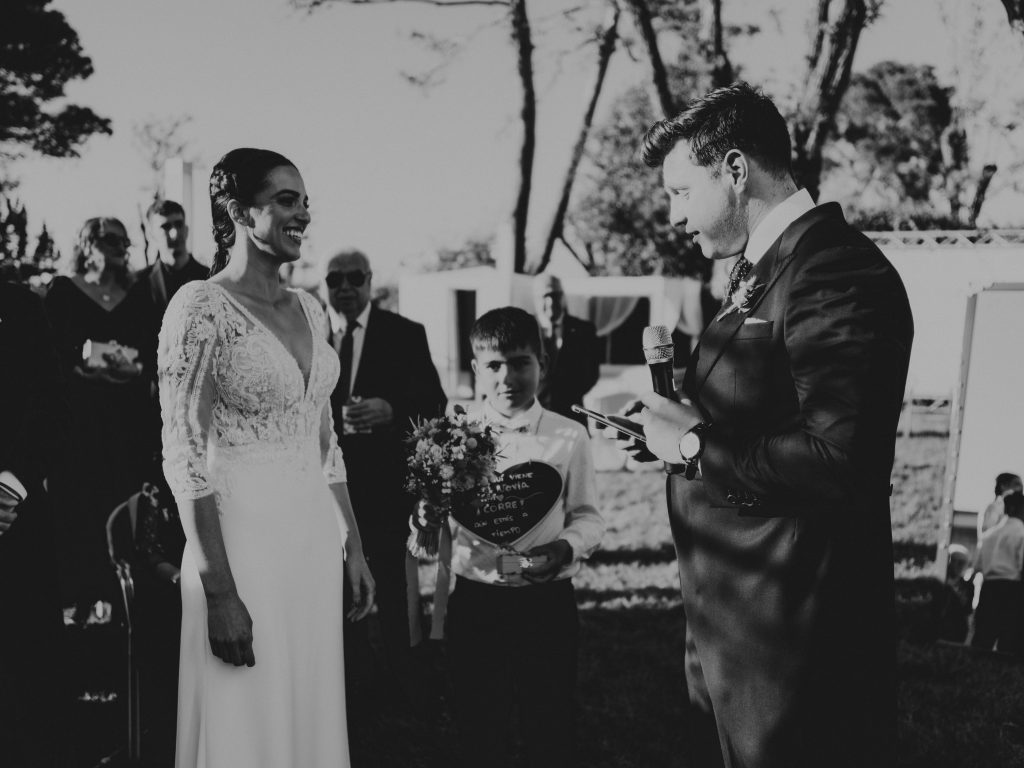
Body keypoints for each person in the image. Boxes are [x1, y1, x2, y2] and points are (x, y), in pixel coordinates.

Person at [611, 82, 914, 768]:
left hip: (799, 648)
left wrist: (693, 443)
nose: (674, 216)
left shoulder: (834, 270)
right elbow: (752, 413)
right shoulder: (760, 269)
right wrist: (662, 437)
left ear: (736, 169)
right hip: (730, 629)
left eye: (681, 192)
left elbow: (840, 457)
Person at [158, 147, 375, 768]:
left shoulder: (310, 308)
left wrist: (353, 546)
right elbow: (183, 456)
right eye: (286, 199)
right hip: (241, 549)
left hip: (310, 549)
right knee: (246, 715)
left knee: (307, 709)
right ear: (237, 208)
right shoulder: (200, 307)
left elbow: (324, 441)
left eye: (305, 201)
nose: (303, 213)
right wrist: (220, 591)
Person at [432, 306, 604, 768]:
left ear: (542, 365)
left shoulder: (569, 437)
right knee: (478, 721)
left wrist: (566, 546)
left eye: (521, 362)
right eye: (494, 365)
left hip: (545, 601)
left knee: (549, 720)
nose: (508, 377)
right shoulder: (455, 436)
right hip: (475, 600)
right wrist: (426, 516)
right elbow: (439, 514)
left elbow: (589, 516)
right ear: (476, 371)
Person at [323, 248, 447, 727]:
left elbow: (433, 402)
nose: (346, 286)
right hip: (330, 494)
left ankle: (407, 688)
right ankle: (352, 690)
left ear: (370, 281)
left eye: (355, 277)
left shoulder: (404, 333)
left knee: (397, 594)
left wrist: (392, 408)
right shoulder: (310, 334)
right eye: (336, 279)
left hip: (387, 491)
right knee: (338, 594)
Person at [44, 217, 158, 620]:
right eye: (110, 239)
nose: (120, 247)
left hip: (127, 425)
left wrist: (136, 368)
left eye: (124, 241)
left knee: (123, 502)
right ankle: (80, 602)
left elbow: (152, 351)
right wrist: (78, 365)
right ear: (87, 243)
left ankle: (121, 600)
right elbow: (49, 354)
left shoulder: (140, 294)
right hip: (80, 425)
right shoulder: (63, 290)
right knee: (80, 507)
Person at [0, 281, 71, 768]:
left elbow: (49, 400)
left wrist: (9, 488)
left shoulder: (19, 304)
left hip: (15, 515)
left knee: (27, 675)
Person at [132, 198, 210, 383]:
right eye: (165, 227)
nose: (174, 234)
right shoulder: (138, 283)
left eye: (179, 224)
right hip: (152, 394)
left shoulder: (210, 280)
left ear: (187, 229)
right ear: (151, 235)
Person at [532, 274, 600, 428]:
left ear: (562, 296)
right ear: (535, 298)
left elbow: (592, 374)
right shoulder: (524, 328)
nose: (550, 302)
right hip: (535, 417)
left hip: (572, 417)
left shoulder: (584, 330)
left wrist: (568, 392)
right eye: (545, 296)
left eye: (555, 295)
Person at [971, 491, 1024, 654]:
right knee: (1009, 642)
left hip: (988, 588)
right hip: (1012, 589)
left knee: (983, 637)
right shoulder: (1021, 533)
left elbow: (977, 566)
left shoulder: (988, 535)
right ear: (1017, 508)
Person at [976, 472, 1023, 540]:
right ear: (1003, 486)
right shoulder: (993, 507)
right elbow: (988, 534)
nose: (1021, 488)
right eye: (1017, 484)